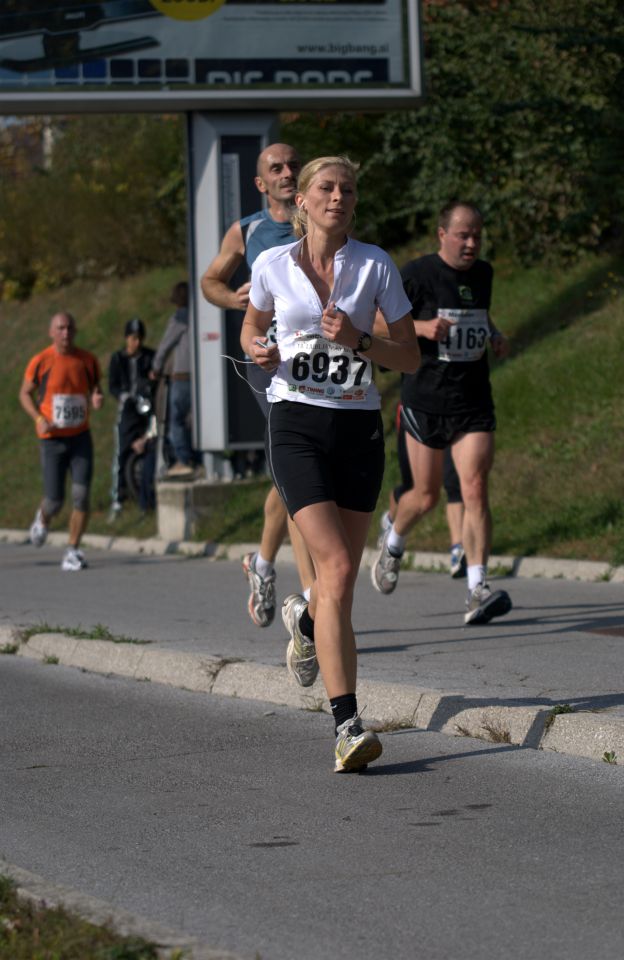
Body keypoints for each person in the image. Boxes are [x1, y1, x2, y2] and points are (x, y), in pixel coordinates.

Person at [240, 155, 420, 772]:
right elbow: (251, 329)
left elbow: (412, 357)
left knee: (337, 584)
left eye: (348, 188)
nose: (338, 196)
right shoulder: (269, 266)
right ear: (303, 203)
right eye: (326, 187)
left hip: (357, 427)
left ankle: (305, 621)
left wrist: (361, 341)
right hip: (295, 424)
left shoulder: (375, 264)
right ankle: (347, 726)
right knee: (338, 565)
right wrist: (259, 351)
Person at [371, 201, 512, 625]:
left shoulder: (483, 273)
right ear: (442, 235)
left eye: (477, 236)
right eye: (463, 235)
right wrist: (421, 327)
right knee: (426, 496)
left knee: (474, 487)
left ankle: (477, 588)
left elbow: (476, 313)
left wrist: (494, 332)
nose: (471, 244)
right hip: (425, 398)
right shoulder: (416, 274)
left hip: (472, 401)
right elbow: (376, 322)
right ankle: (393, 542)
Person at [201, 142, 316, 628]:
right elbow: (209, 280)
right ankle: (315, 602)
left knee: (287, 475)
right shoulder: (247, 230)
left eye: (293, 165)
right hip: (266, 362)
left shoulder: (321, 217)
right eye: (277, 168)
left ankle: (262, 565)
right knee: (298, 471)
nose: (288, 173)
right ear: (260, 183)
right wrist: (233, 298)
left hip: (316, 362)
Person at [19, 311, 104, 571]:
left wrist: (96, 399)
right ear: (51, 332)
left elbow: (95, 389)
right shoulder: (41, 361)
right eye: (60, 328)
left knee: (81, 495)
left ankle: (72, 550)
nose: (65, 333)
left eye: (69, 328)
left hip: (80, 437)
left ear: (75, 331)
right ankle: (43, 519)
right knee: (54, 501)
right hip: (52, 439)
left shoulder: (87, 360)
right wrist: (38, 418)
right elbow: (24, 393)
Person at [380, 406, 467, 578]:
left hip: (454, 410)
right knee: (412, 488)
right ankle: (390, 521)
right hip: (418, 412)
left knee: (454, 483)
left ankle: (458, 550)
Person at [108, 316, 156, 518]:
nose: (136, 342)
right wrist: (123, 395)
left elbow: (153, 377)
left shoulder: (149, 356)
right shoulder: (118, 359)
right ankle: (118, 496)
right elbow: (113, 385)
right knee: (122, 451)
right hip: (128, 410)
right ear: (126, 338)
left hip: (145, 406)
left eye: (139, 338)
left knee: (150, 443)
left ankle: (146, 489)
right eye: (132, 338)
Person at [151, 281, 196, 478]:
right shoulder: (200, 316)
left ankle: (184, 460)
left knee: (175, 421)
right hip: (199, 378)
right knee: (193, 420)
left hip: (181, 377)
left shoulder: (179, 318)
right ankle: (198, 458)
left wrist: (156, 367)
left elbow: (165, 345)